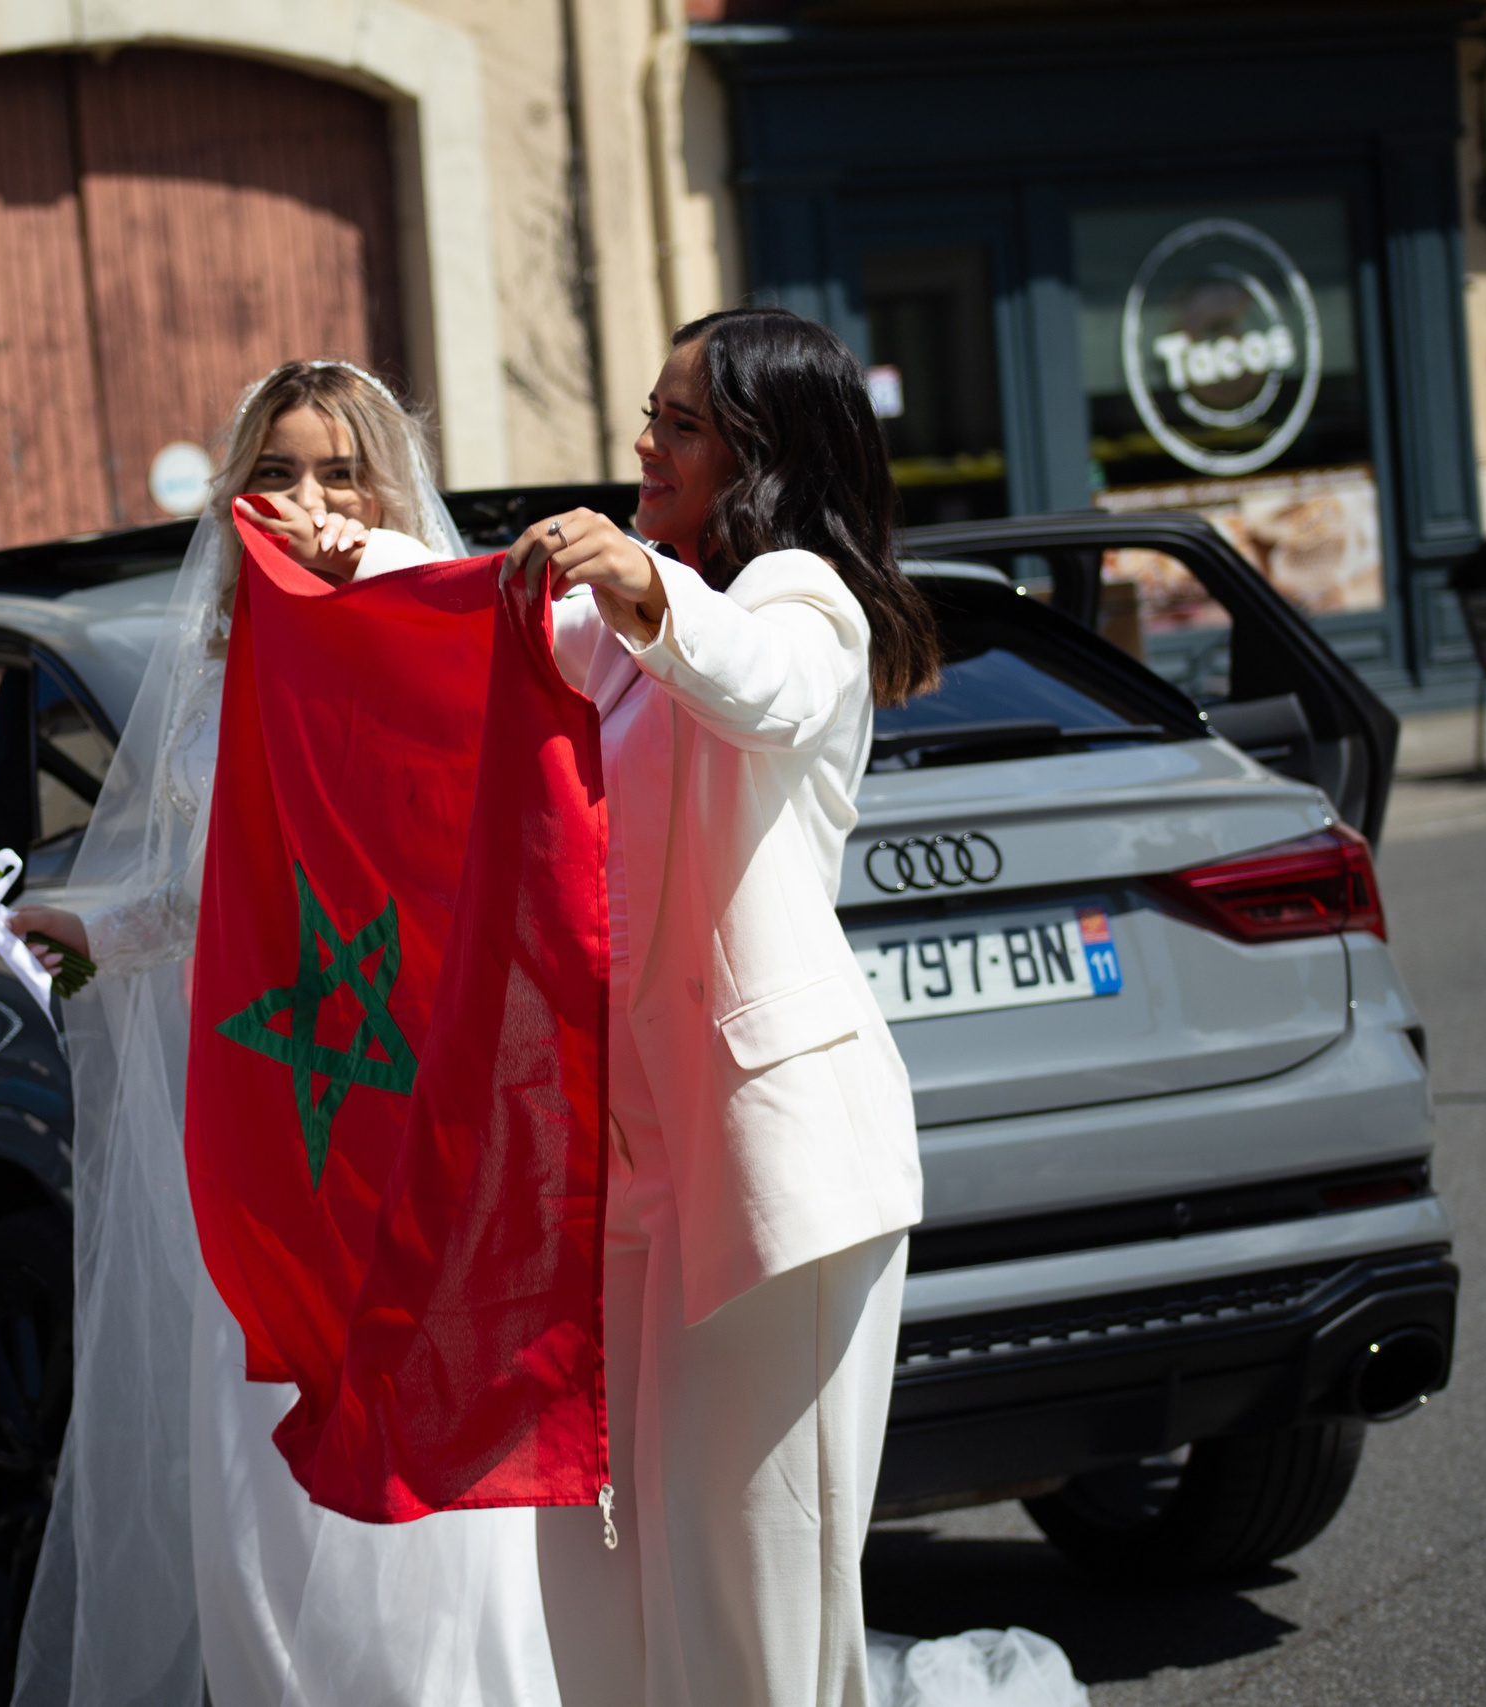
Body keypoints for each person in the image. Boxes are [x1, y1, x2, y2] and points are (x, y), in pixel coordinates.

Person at [6, 361, 560, 1707]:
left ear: (384, 489)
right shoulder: (209, 674)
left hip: (402, 1110)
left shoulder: (436, 637)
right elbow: (209, 900)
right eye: (273, 472)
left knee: (403, 1424)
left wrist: (363, 575)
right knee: (256, 1432)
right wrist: (81, 922)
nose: (302, 500)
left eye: (335, 470)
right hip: (258, 1113)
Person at [504, 305, 938, 1707]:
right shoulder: (641, 625)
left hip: (775, 1173)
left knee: (758, 1584)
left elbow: (760, 686)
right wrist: (355, 555)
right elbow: (477, 627)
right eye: (650, 413)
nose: (645, 442)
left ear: (763, 452)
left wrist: (638, 578)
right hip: (638, 1169)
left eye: (681, 423)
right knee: (623, 1565)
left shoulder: (799, 601)